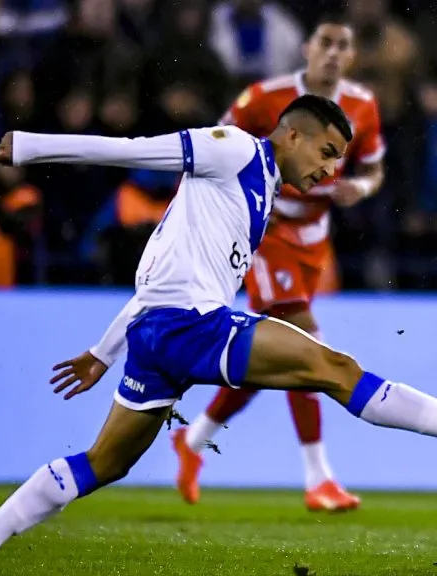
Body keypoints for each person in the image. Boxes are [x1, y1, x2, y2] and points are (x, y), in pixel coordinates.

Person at [0, 95, 437, 576]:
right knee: (333, 368)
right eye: (327, 152)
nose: (330, 169)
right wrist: (32, 148)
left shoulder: (262, 191)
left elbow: (160, 273)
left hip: (158, 332)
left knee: (104, 463)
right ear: (293, 133)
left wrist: (104, 350)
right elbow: (135, 150)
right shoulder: (232, 150)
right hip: (187, 326)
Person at [173, 14, 385, 512]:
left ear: (352, 57)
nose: (333, 53)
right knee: (307, 345)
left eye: (343, 46)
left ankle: (194, 438)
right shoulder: (264, 98)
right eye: (325, 42)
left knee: (272, 357)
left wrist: (363, 187)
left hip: (316, 238)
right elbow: (216, 148)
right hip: (270, 232)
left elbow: (374, 168)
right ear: (307, 48)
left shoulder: (364, 105)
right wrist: (239, 206)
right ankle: (318, 478)